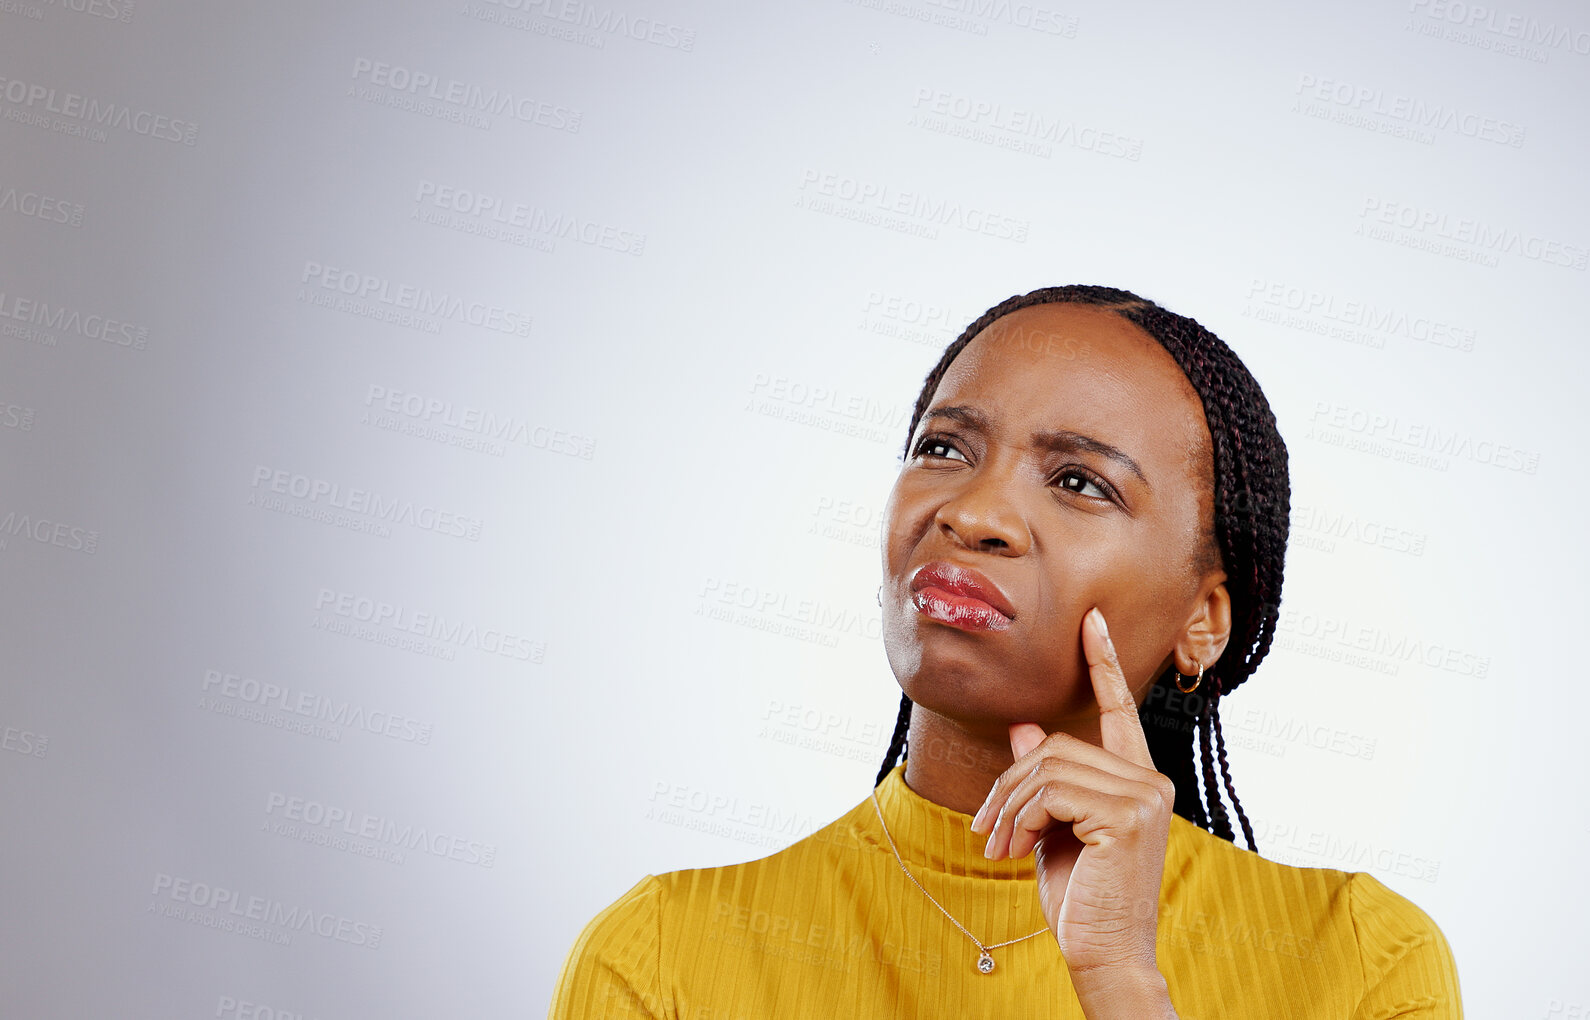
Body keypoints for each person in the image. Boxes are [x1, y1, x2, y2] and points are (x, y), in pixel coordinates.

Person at [550, 285, 1463, 1019]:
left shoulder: (1357, 965)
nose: (971, 513)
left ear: (1204, 619)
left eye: (1078, 481)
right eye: (943, 448)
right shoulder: (662, 957)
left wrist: (1119, 982)